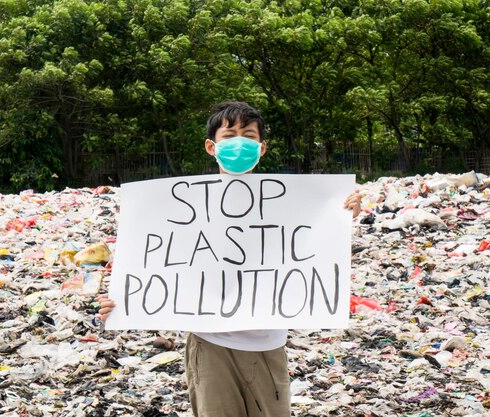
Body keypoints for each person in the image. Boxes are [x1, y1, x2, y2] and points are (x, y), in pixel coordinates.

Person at [97, 101, 362, 417]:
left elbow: (318, 258)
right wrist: (122, 302)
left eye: (249, 135)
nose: (240, 143)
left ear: (262, 148)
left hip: (268, 347)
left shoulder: (292, 205)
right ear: (211, 146)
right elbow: (157, 267)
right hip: (210, 348)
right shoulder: (180, 207)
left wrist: (343, 215)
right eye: (230, 134)